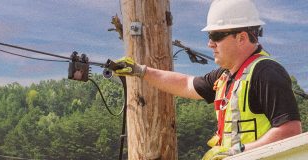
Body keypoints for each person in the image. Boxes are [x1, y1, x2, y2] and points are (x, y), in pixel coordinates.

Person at [114, 0, 302, 159]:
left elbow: (291, 130)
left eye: (216, 36)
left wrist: (236, 152)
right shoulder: (226, 75)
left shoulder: (266, 72)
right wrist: (140, 71)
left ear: (242, 38)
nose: (209, 43)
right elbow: (186, 84)